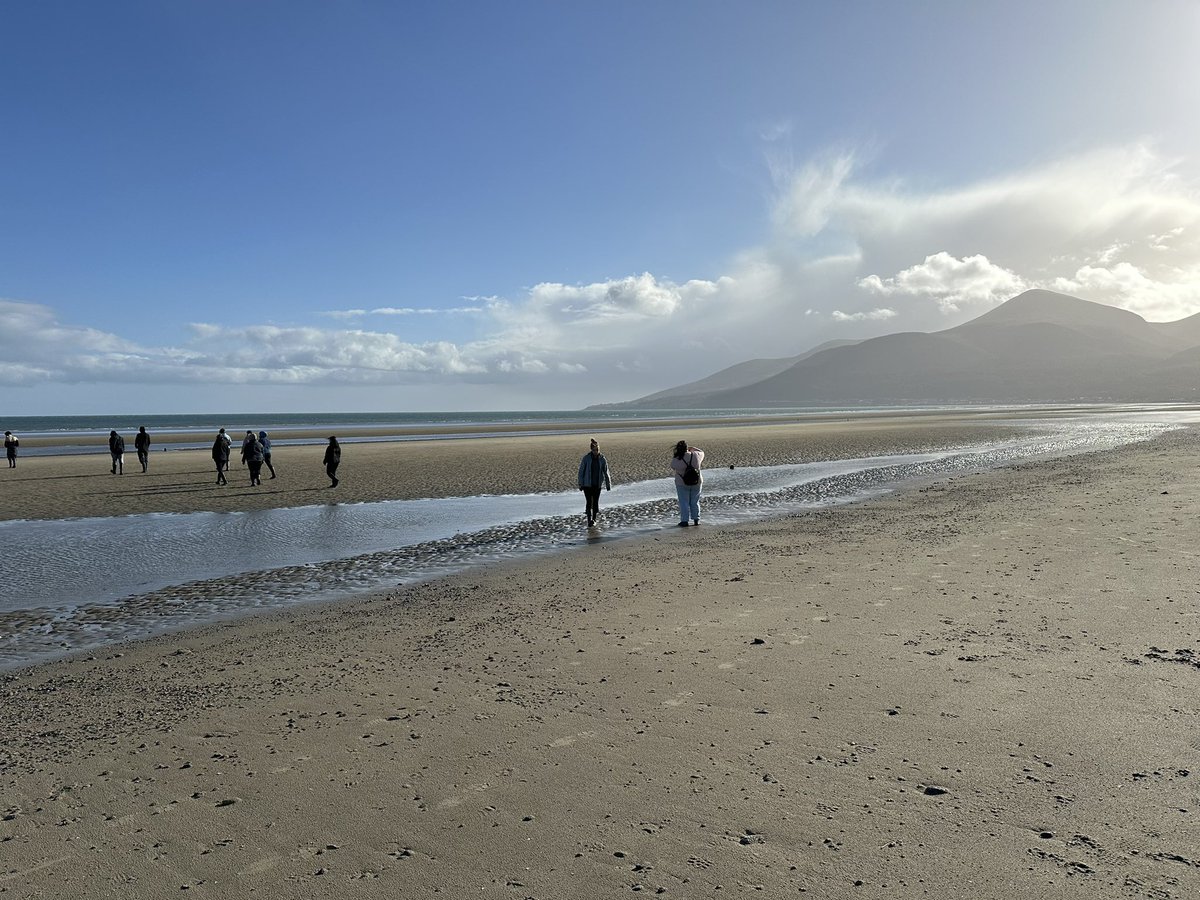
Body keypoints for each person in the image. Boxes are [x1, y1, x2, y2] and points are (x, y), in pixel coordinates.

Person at [577, 437, 612, 527]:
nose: (595, 452)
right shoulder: (586, 458)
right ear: (591, 450)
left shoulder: (602, 459)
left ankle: (594, 519)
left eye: (596, 450)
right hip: (587, 485)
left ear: (598, 449)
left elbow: (606, 472)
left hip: (597, 485)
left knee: (595, 502)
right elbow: (581, 471)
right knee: (589, 502)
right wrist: (580, 483)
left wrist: (608, 484)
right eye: (593, 450)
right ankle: (589, 519)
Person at [670, 439, 704, 527]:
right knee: (695, 501)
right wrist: (692, 448)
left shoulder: (677, 459)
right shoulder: (696, 455)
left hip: (682, 483)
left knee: (684, 502)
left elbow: (672, 466)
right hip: (697, 481)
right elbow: (702, 452)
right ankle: (696, 519)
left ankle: (684, 521)